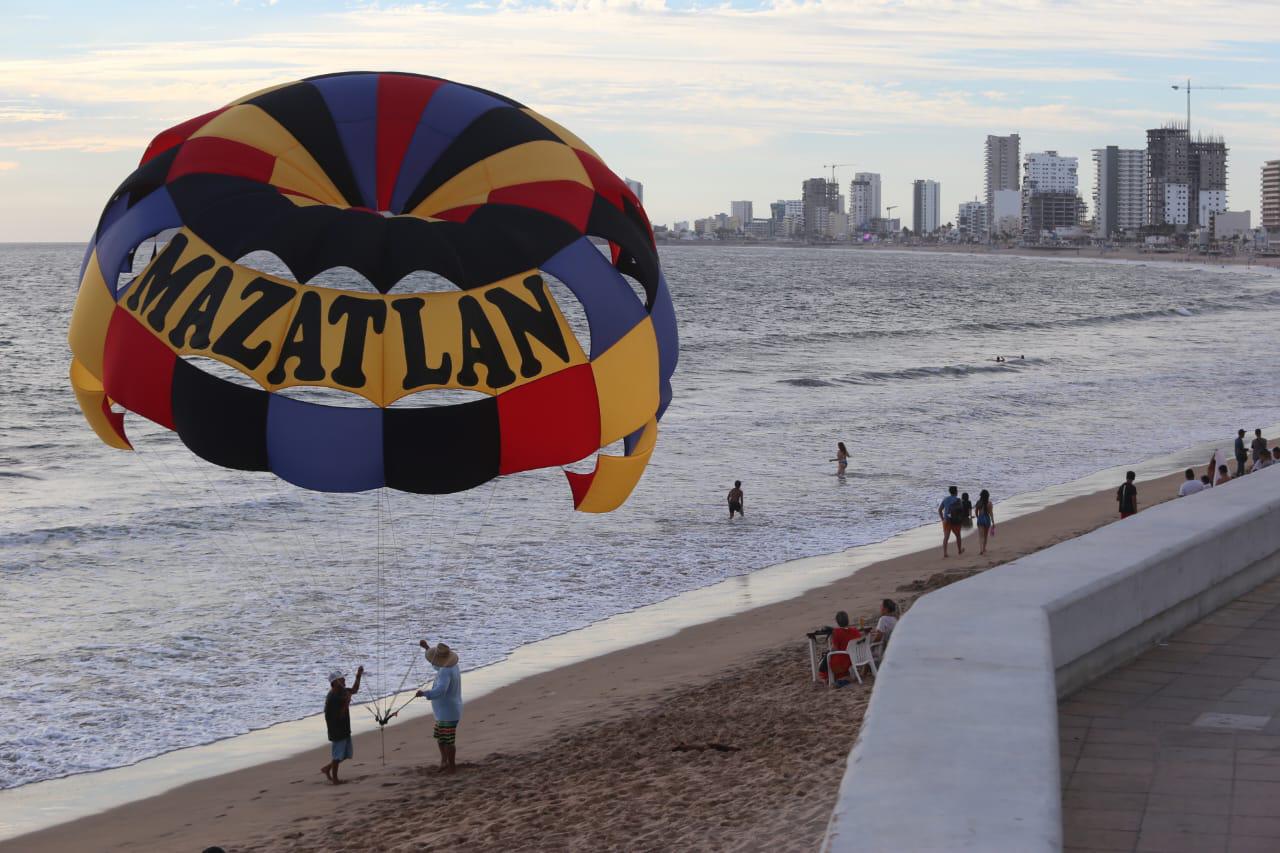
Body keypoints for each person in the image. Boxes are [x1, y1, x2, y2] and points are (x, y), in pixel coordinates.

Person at [417, 640, 463, 773]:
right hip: (446, 711)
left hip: (448, 712)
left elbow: (441, 690)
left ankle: (452, 766)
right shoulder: (452, 666)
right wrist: (426, 648)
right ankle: (444, 761)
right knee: (440, 738)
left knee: (448, 741)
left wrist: (425, 693)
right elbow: (436, 666)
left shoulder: (445, 671)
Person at [321, 664, 364, 785]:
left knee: (345, 754)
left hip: (344, 727)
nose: (344, 680)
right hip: (337, 730)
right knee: (337, 756)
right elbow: (340, 715)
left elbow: (354, 690)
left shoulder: (342, 691)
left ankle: (327, 768)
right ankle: (335, 779)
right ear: (335, 683)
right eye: (341, 679)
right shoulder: (333, 697)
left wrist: (358, 676)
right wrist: (347, 701)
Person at [816, 611, 862, 686]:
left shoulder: (837, 632)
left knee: (828, 655)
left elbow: (835, 649)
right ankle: (839, 677)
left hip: (844, 660)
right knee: (828, 655)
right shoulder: (855, 631)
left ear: (837, 622)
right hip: (855, 657)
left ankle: (825, 677)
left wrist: (830, 651)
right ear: (848, 620)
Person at [938, 486, 964, 557]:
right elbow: (962, 510)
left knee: (946, 537)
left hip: (947, 520)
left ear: (950, 492)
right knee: (958, 535)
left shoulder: (945, 499)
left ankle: (945, 553)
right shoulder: (958, 500)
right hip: (956, 520)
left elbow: (940, 510)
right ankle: (959, 550)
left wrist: (942, 519)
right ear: (956, 492)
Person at [974, 489, 995, 554]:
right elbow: (991, 513)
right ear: (987, 496)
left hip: (980, 518)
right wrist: (993, 522)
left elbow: (976, 511)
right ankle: (984, 548)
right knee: (985, 535)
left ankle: (981, 550)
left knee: (981, 536)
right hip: (987, 519)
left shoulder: (978, 502)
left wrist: (978, 517)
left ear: (981, 495)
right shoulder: (989, 503)